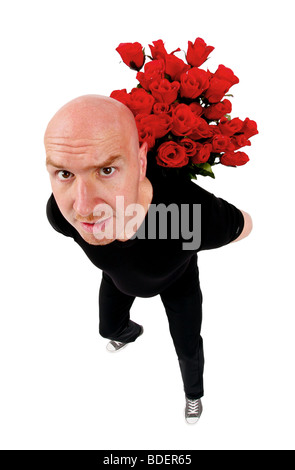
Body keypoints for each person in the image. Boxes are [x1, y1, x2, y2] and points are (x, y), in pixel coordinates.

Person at [45, 94, 253, 424]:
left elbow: (243, 224)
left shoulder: (188, 216)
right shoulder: (60, 213)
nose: (82, 207)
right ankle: (130, 332)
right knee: (108, 329)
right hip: (118, 279)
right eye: (65, 174)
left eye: (107, 169)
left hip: (178, 282)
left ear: (141, 162)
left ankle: (194, 395)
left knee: (187, 346)